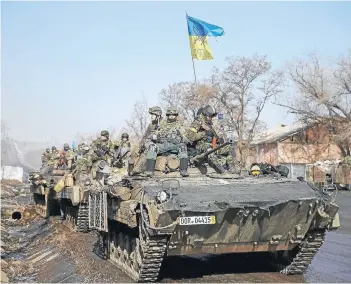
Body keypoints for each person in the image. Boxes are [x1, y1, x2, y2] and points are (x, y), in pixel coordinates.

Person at [187, 105, 234, 173]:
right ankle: (221, 171)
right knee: (210, 150)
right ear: (206, 115)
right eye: (210, 116)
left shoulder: (209, 124)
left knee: (229, 148)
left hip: (212, 145)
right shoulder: (198, 122)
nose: (211, 118)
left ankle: (232, 168)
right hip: (200, 145)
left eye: (212, 116)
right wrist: (203, 133)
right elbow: (190, 136)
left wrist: (219, 137)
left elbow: (216, 138)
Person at [144, 107, 190, 177]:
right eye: (170, 115)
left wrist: (183, 138)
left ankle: (183, 170)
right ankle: (149, 171)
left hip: (174, 146)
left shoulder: (180, 125)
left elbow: (186, 137)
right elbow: (156, 133)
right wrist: (154, 136)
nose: (171, 116)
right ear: (167, 115)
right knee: (152, 147)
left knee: (183, 147)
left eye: (173, 115)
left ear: (176, 115)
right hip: (162, 145)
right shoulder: (162, 124)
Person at [131, 106, 163, 175]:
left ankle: (140, 169)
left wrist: (154, 136)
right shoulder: (151, 125)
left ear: (158, 115)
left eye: (153, 115)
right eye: (151, 115)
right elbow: (145, 136)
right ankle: (137, 168)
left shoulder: (163, 124)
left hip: (160, 145)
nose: (151, 116)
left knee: (150, 147)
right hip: (149, 145)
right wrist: (141, 146)